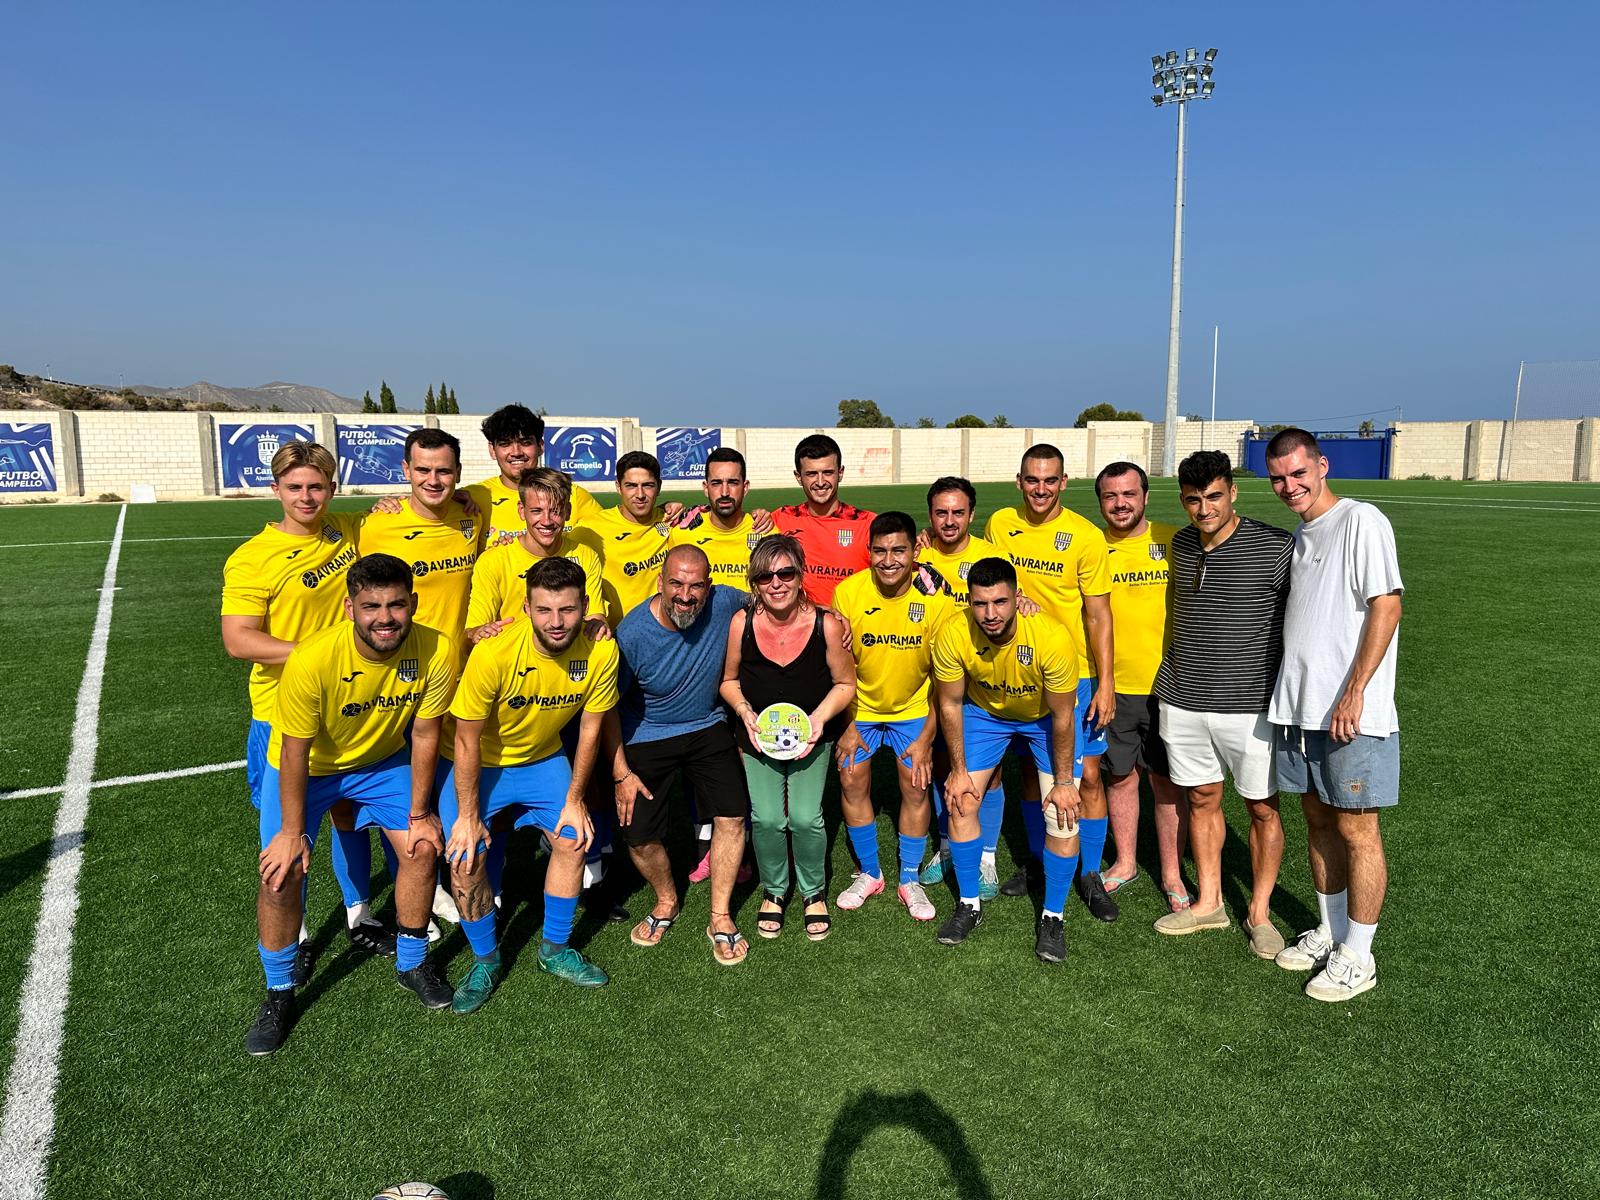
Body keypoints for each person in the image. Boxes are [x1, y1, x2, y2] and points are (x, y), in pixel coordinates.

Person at [246, 554, 459, 1054]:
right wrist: (292, 832)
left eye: (396, 604)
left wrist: (420, 810)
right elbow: (295, 749)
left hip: (382, 763)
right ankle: (279, 992)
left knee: (423, 846)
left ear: (414, 603)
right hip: (309, 767)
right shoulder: (314, 658)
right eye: (371, 606)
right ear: (350, 608)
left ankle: (411, 963)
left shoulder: (436, 648)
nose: (385, 617)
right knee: (281, 872)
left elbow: (426, 733)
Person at [220, 440, 389, 984]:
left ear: (331, 487)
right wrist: (317, 655)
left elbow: (391, 521)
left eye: (317, 485)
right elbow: (239, 640)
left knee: (350, 816)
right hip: (283, 713)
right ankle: (290, 946)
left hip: (349, 706)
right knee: (287, 840)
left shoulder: (345, 529)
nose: (307, 496)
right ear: (276, 490)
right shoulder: (253, 557)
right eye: (295, 487)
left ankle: (360, 915)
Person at [439, 557, 620, 1009]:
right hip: (479, 763)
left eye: (567, 610)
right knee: (464, 855)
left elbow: (592, 730)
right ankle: (485, 959)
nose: (556, 623)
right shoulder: (494, 653)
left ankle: (554, 951)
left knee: (574, 836)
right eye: (544, 610)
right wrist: (466, 815)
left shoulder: (600, 650)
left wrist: (575, 800)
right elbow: (465, 739)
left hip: (542, 758)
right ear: (526, 608)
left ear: (585, 608)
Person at [1265, 429, 1403, 1002]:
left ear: (1321, 466)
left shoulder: (1360, 520)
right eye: (1278, 478)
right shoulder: (1301, 538)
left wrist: (1355, 691)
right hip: (1299, 708)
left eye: (1299, 473)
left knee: (1357, 830)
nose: (1290, 486)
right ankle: (1330, 930)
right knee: (1318, 823)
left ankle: (1359, 956)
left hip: (1349, 712)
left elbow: (1387, 603)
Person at [1152, 450, 1291, 958]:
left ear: (1233, 492)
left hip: (1249, 705)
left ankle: (1259, 913)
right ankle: (1209, 902)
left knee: (1261, 809)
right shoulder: (1182, 545)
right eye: (1193, 499)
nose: (1204, 508)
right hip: (1184, 699)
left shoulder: (1276, 547)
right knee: (1202, 799)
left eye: (1214, 496)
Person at [983, 445, 1118, 922]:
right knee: (1029, 773)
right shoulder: (1001, 524)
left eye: (1050, 480)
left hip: (1075, 675)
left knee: (1090, 776)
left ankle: (1089, 872)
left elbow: (1098, 614)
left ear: (1064, 483)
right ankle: (1039, 861)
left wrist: (1106, 682)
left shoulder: (1084, 536)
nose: (1041, 489)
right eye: (1032, 480)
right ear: (1018, 481)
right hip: (1018, 672)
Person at [931, 558, 1081, 963]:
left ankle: (1053, 916)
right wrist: (959, 770)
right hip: (986, 715)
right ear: (969, 601)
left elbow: (1064, 715)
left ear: (1018, 598)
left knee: (1062, 816)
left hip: (1044, 717)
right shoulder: (953, 632)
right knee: (961, 800)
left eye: (1000, 602)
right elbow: (949, 702)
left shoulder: (1050, 635)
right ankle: (968, 904)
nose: (991, 614)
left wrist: (1065, 782)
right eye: (980, 604)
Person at [611, 545, 753, 965]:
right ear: (661, 583)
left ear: (708, 588)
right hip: (647, 733)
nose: (685, 595)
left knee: (733, 814)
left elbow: (771, 599)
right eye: (676, 583)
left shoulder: (725, 601)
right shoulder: (632, 633)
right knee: (637, 834)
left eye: (695, 586)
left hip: (707, 726)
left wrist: (828, 615)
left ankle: (720, 916)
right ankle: (667, 899)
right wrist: (621, 773)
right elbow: (606, 710)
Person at [721, 535, 857, 941]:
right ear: (755, 581)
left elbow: (845, 683)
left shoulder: (825, 624)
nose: (776, 583)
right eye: (765, 575)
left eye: (785, 573)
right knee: (765, 817)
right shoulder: (742, 623)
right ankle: (775, 890)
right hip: (758, 739)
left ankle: (813, 892)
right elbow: (728, 680)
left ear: (800, 576)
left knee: (803, 816)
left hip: (810, 738)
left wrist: (818, 720)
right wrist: (744, 712)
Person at [830, 513, 955, 922]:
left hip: (914, 709)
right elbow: (839, 670)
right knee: (851, 780)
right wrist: (846, 724)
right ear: (868, 552)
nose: (888, 560)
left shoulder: (935, 599)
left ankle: (909, 877)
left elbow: (943, 681)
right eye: (879, 551)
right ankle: (870, 872)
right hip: (859, 710)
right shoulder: (848, 593)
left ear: (914, 551)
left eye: (898, 550)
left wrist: (926, 738)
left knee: (917, 788)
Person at [1093, 461, 1189, 913]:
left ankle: (1171, 873)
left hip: (1171, 687)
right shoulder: (1091, 547)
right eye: (1110, 496)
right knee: (1120, 775)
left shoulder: (1174, 539)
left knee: (1167, 781)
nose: (1120, 503)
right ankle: (1126, 861)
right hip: (1112, 687)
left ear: (1146, 496)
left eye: (1129, 493)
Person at [915, 476, 1011, 896]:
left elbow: (1012, 601)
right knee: (941, 767)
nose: (949, 521)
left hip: (984, 682)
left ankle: (986, 854)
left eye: (958, 512)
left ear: (972, 515)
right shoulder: (916, 555)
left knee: (988, 775)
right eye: (941, 512)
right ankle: (948, 845)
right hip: (931, 680)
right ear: (930, 515)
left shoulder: (991, 557)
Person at [360, 429, 484, 646]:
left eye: (443, 471)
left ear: (458, 472)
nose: (433, 481)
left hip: (462, 664)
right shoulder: (374, 525)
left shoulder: (472, 516)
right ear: (406, 470)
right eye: (423, 470)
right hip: (408, 665)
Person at [465, 468, 605, 644]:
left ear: (568, 511)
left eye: (555, 511)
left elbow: (595, 619)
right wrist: (479, 632)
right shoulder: (493, 560)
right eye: (537, 511)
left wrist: (598, 627)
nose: (546, 521)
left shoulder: (585, 556)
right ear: (522, 511)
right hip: (512, 664)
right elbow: (472, 632)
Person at [465, 405, 604, 546]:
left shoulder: (574, 495)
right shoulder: (473, 498)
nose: (516, 452)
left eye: (525, 442)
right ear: (492, 450)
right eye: (505, 444)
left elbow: (609, 538)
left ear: (540, 446)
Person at [569, 450, 673, 627]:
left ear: (659, 486)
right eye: (631, 485)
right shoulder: (590, 529)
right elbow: (553, 549)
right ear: (618, 487)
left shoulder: (671, 521)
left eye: (648, 485)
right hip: (617, 634)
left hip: (663, 632)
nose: (640, 494)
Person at [772, 433, 876, 607]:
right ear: (799, 477)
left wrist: (929, 534)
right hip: (799, 628)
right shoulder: (780, 519)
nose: (820, 482)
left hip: (851, 629)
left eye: (827, 472)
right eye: (812, 474)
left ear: (840, 473)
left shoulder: (867, 523)